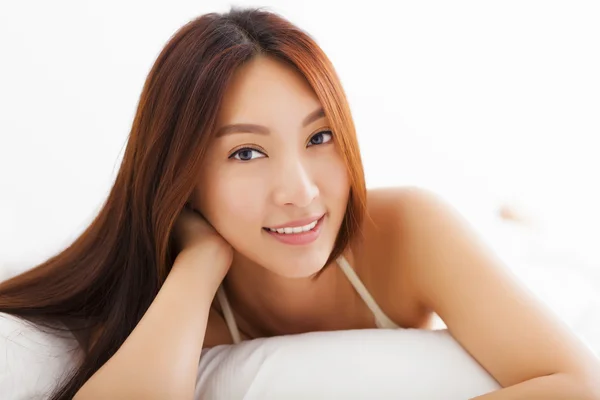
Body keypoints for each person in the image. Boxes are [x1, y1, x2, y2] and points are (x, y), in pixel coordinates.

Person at [1, 6, 599, 400]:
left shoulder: (411, 228)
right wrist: (201, 262)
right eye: (245, 153)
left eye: (319, 138)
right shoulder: (179, 304)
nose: (302, 191)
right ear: (181, 175)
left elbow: (576, 381)